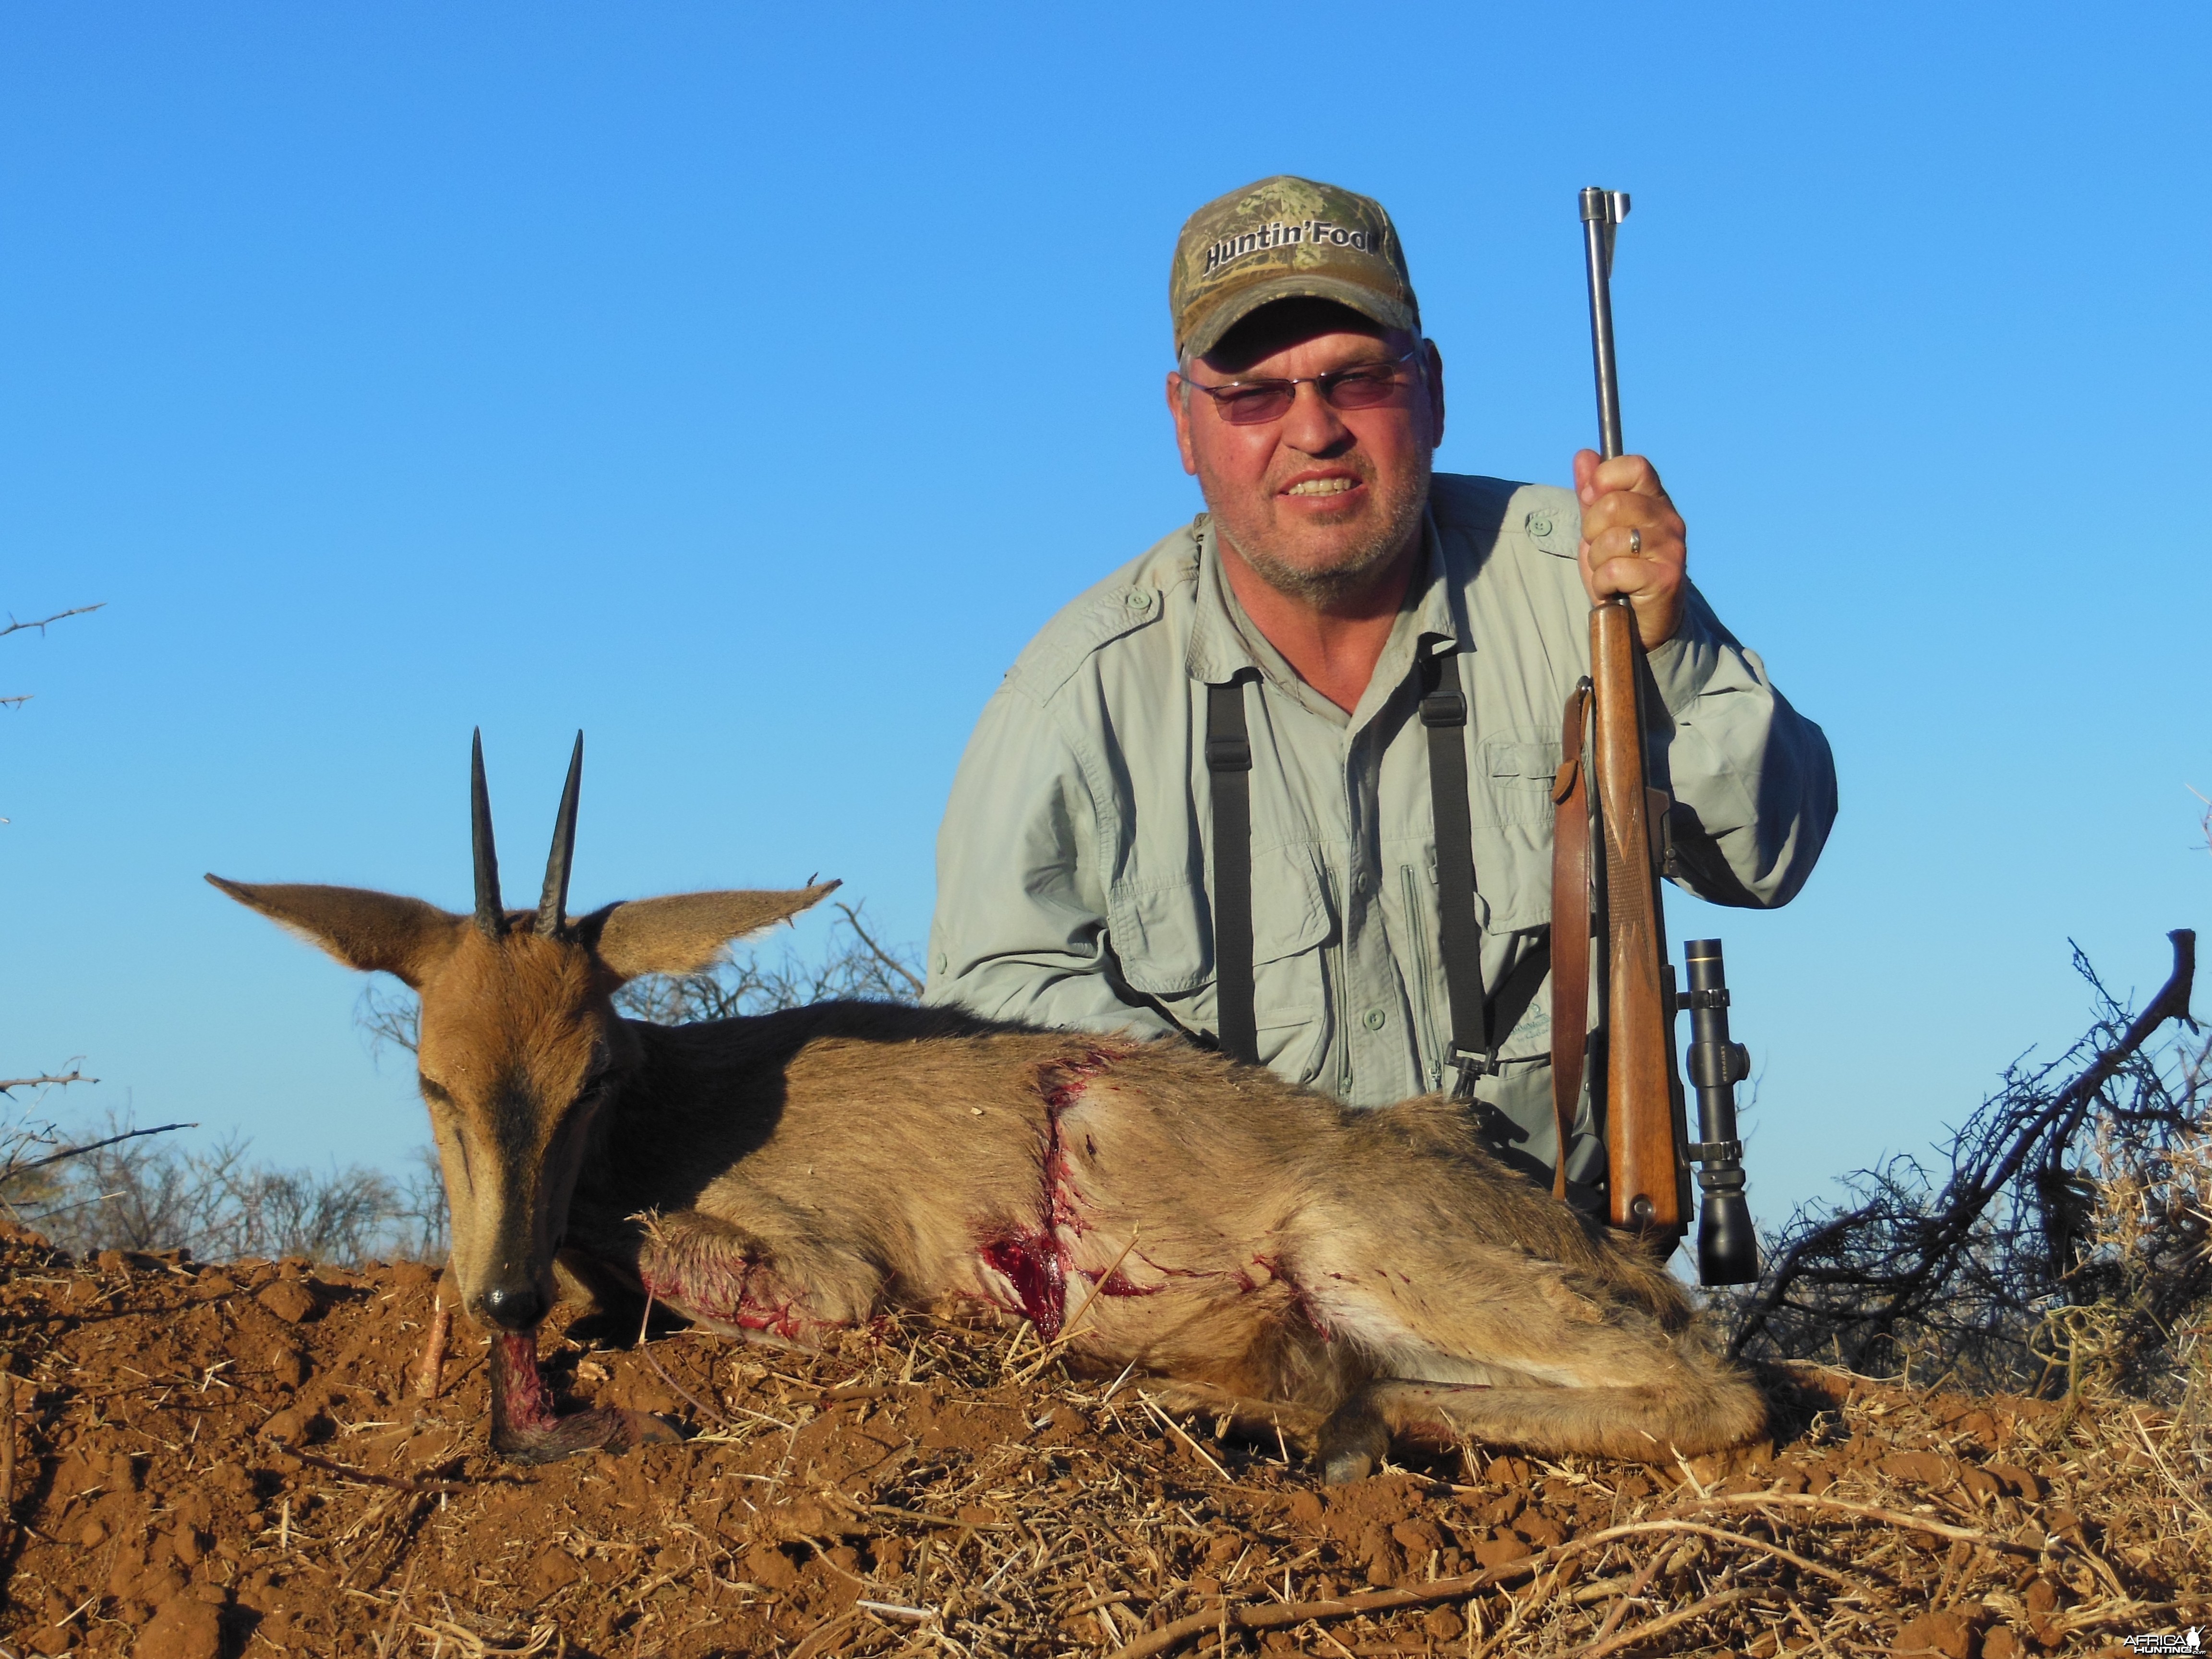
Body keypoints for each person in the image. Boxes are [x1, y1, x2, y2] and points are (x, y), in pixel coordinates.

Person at [923, 175, 1836, 1191]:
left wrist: (1667, 648)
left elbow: (1770, 853)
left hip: (1563, 1286)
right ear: (1184, 424)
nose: (1313, 430)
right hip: (1249, 1305)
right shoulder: (1070, 703)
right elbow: (987, 1017)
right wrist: (1236, 1158)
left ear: (1434, 390)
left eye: (1356, 380)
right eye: (1253, 395)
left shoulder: (1587, 583)